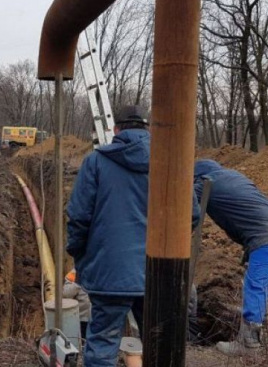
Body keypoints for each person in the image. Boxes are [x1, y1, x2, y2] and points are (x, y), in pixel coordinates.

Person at [66, 105, 200, 367]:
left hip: (110, 270)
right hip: (160, 273)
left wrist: (80, 256)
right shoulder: (172, 160)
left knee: (103, 342)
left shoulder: (95, 162)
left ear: (115, 130)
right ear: (147, 129)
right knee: (160, 344)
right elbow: (191, 215)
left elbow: (79, 218)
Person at [194, 159, 268, 356]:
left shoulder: (203, 184)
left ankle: (249, 343)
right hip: (264, 233)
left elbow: (188, 213)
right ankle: (255, 321)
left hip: (263, 239)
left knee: (256, 284)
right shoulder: (234, 176)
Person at [63, 268, 91, 340]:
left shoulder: (102, 270)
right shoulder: (75, 272)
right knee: (80, 341)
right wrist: (77, 283)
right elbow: (66, 293)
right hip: (80, 318)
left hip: (97, 317)